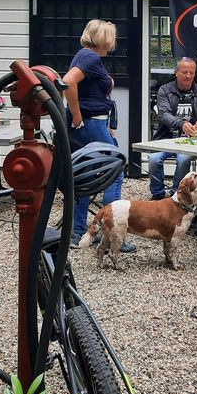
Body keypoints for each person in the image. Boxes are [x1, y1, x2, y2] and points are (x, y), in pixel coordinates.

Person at [63, 18, 135, 253]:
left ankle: (77, 233)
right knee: (115, 171)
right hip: (90, 124)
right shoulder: (90, 57)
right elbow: (68, 82)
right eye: (112, 36)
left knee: (85, 174)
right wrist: (77, 116)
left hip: (93, 124)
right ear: (104, 38)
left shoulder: (83, 55)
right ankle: (111, 233)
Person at [149, 57, 197, 199]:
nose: (188, 75)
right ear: (176, 72)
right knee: (153, 159)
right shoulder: (164, 90)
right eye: (184, 72)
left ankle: (175, 195)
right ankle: (157, 195)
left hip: (190, 141)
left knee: (183, 159)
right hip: (165, 139)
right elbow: (163, 115)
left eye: (191, 72)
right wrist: (181, 124)